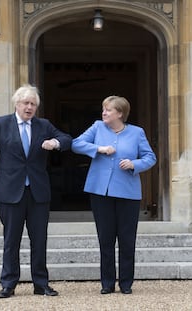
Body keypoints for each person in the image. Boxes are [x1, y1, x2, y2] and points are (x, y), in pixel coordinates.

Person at [0, 84, 72, 298]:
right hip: (10, 193)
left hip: (38, 193)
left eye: (33, 104)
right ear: (17, 104)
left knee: (39, 240)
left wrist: (55, 142)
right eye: (26, 103)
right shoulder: (1, 124)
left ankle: (41, 284)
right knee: (11, 240)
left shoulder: (44, 125)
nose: (29, 107)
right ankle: (8, 284)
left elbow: (67, 140)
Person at [71, 95, 156, 295]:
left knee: (127, 239)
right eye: (104, 109)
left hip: (128, 193)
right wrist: (98, 148)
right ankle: (107, 283)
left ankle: (126, 284)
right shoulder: (97, 127)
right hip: (100, 192)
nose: (104, 113)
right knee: (105, 239)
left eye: (108, 110)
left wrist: (134, 164)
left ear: (120, 113)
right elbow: (75, 144)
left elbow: (150, 157)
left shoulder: (137, 132)